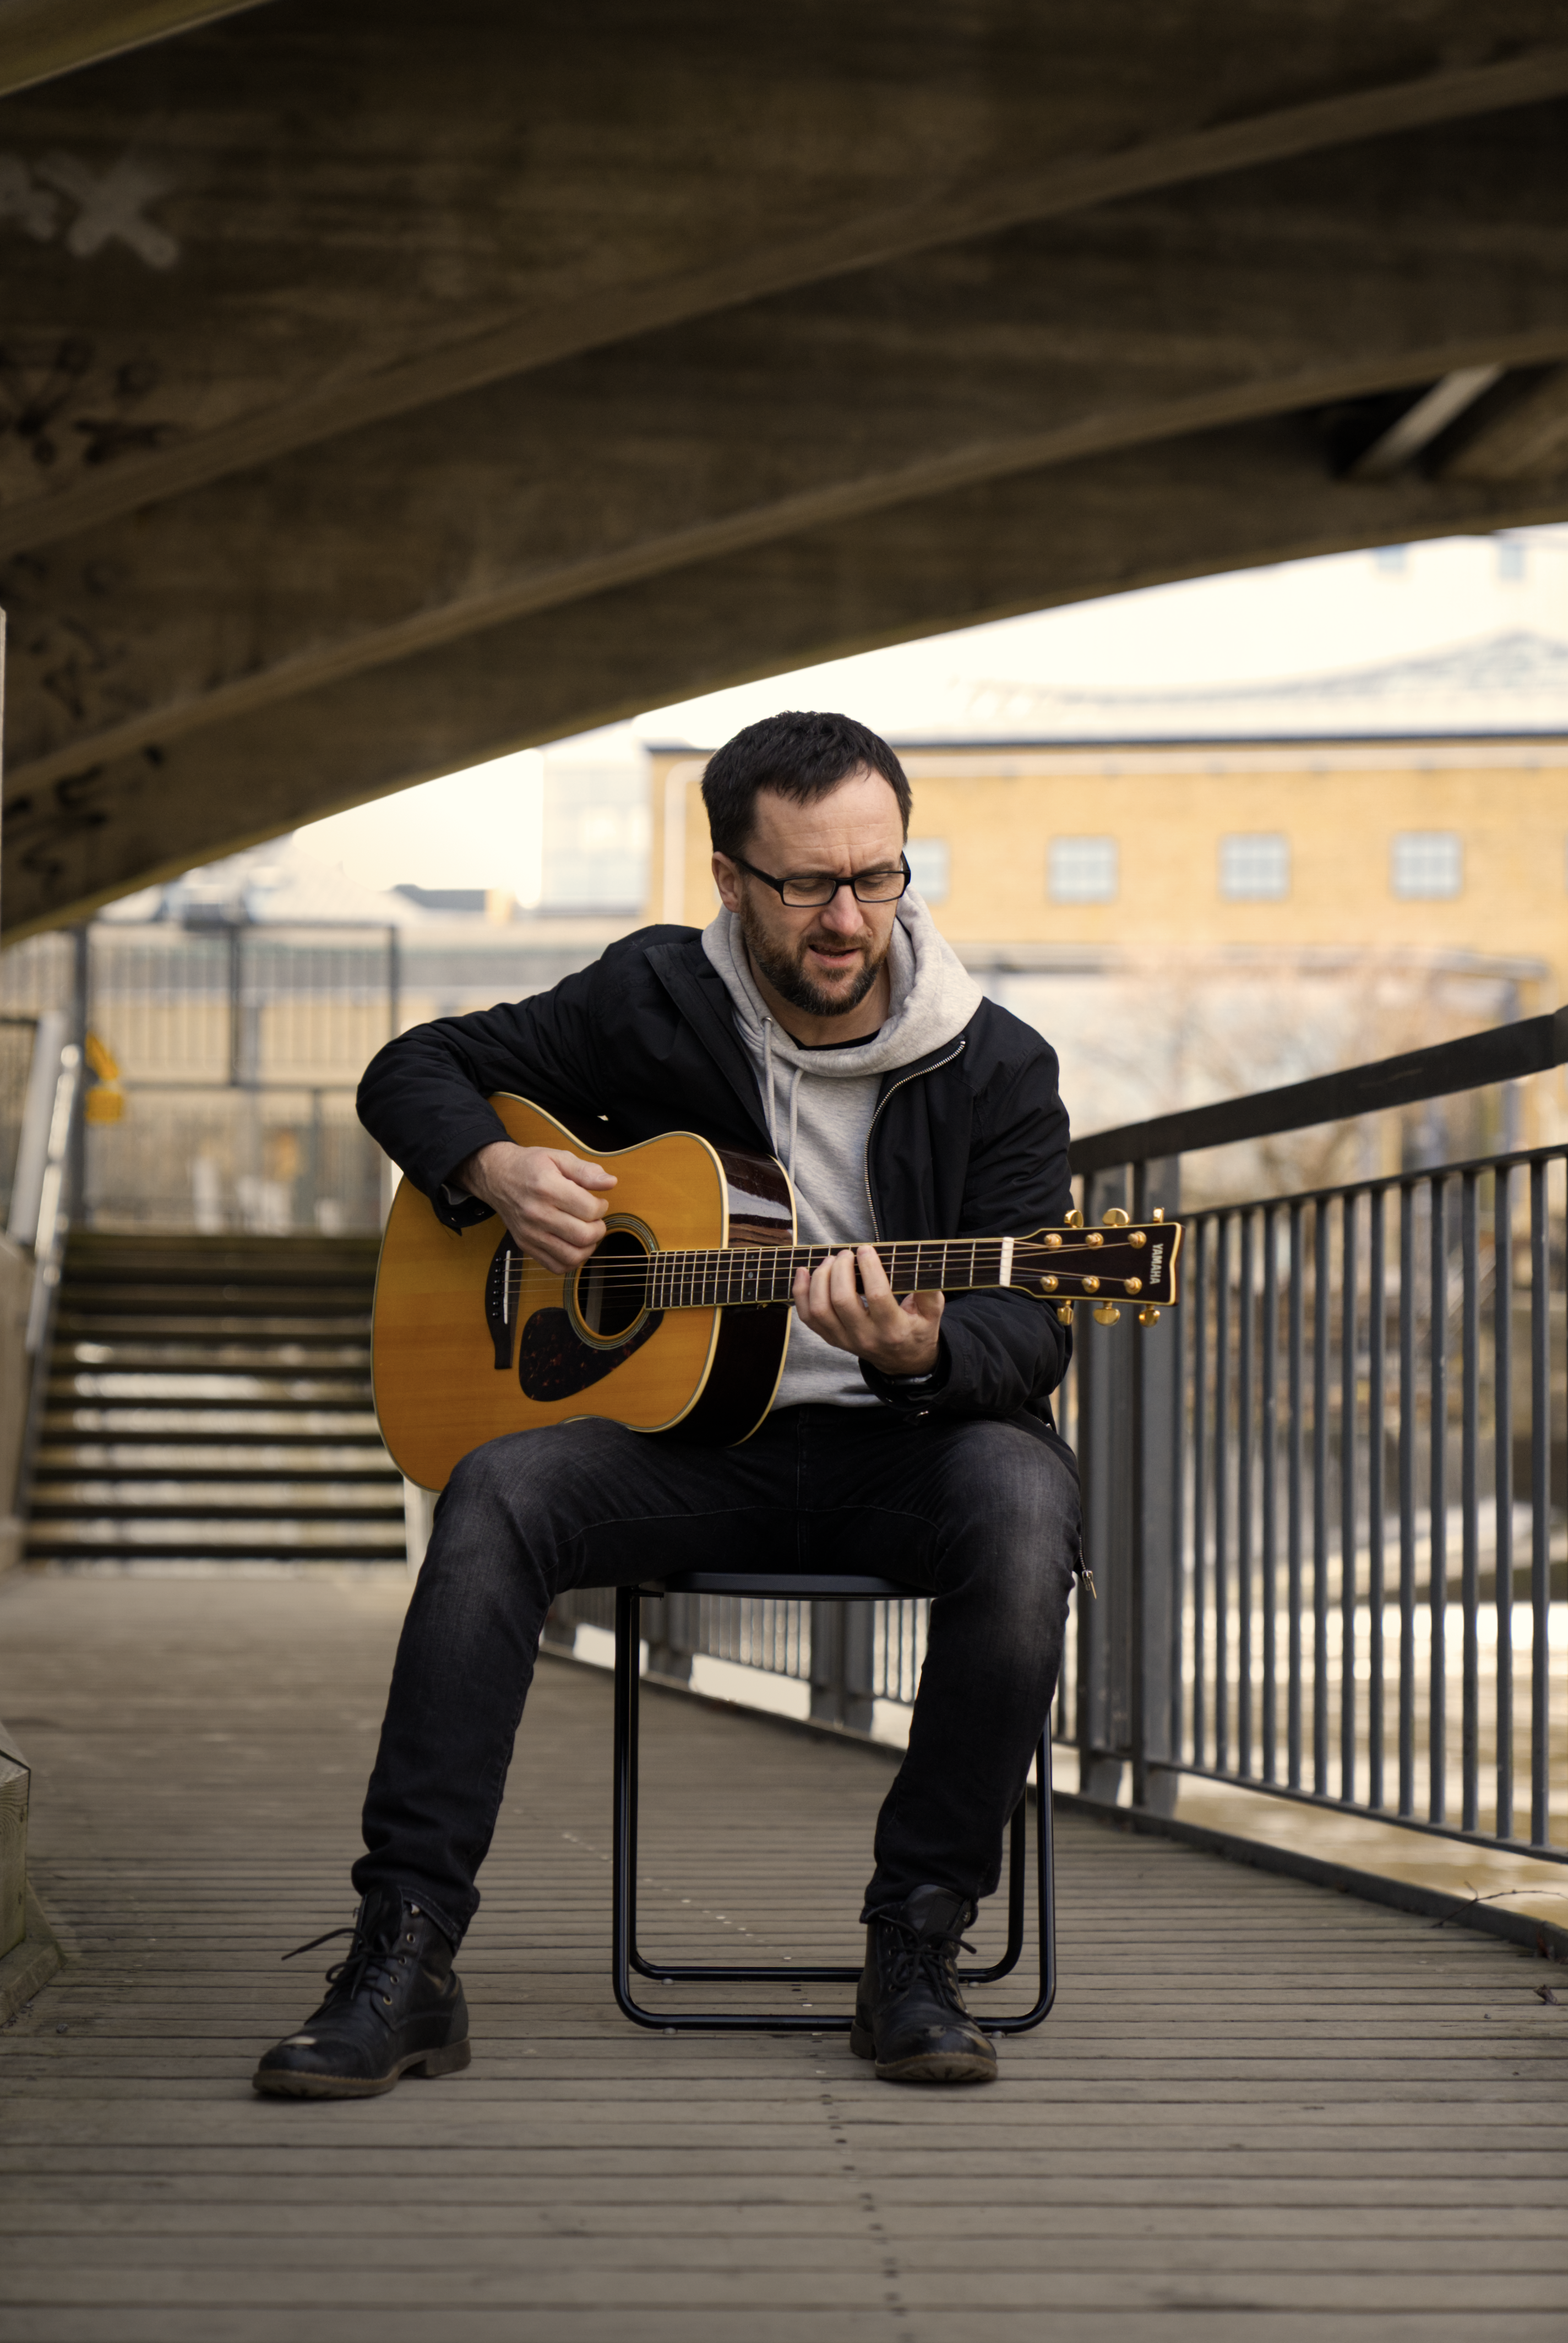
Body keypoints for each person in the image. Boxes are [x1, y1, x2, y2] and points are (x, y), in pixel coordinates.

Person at [254, 710, 1080, 2098]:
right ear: (728, 876)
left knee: (1023, 1505)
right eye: (807, 883)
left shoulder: (998, 1066)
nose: (846, 918)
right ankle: (403, 1955)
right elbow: (414, 1068)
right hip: (687, 1449)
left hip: (907, 1453)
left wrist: (919, 1351)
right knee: (498, 1491)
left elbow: (1030, 1325)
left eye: (876, 877)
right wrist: (490, 1172)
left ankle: (915, 1943)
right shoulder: (649, 997)